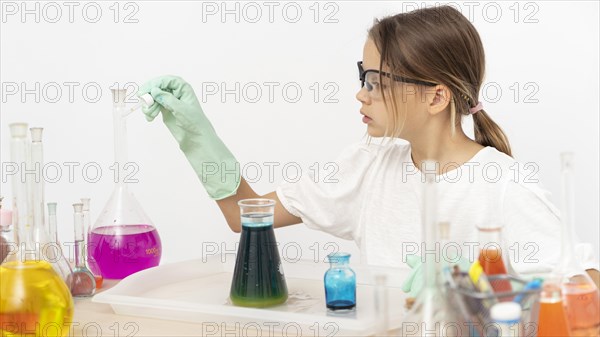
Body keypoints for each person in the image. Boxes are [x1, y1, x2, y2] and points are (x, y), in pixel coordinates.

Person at [137, 5, 598, 288]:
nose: (362, 93)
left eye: (377, 82)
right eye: (364, 77)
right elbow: (245, 215)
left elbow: (587, 285)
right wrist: (198, 138)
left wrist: (486, 292)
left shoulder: (500, 186)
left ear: (437, 96)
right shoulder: (370, 165)